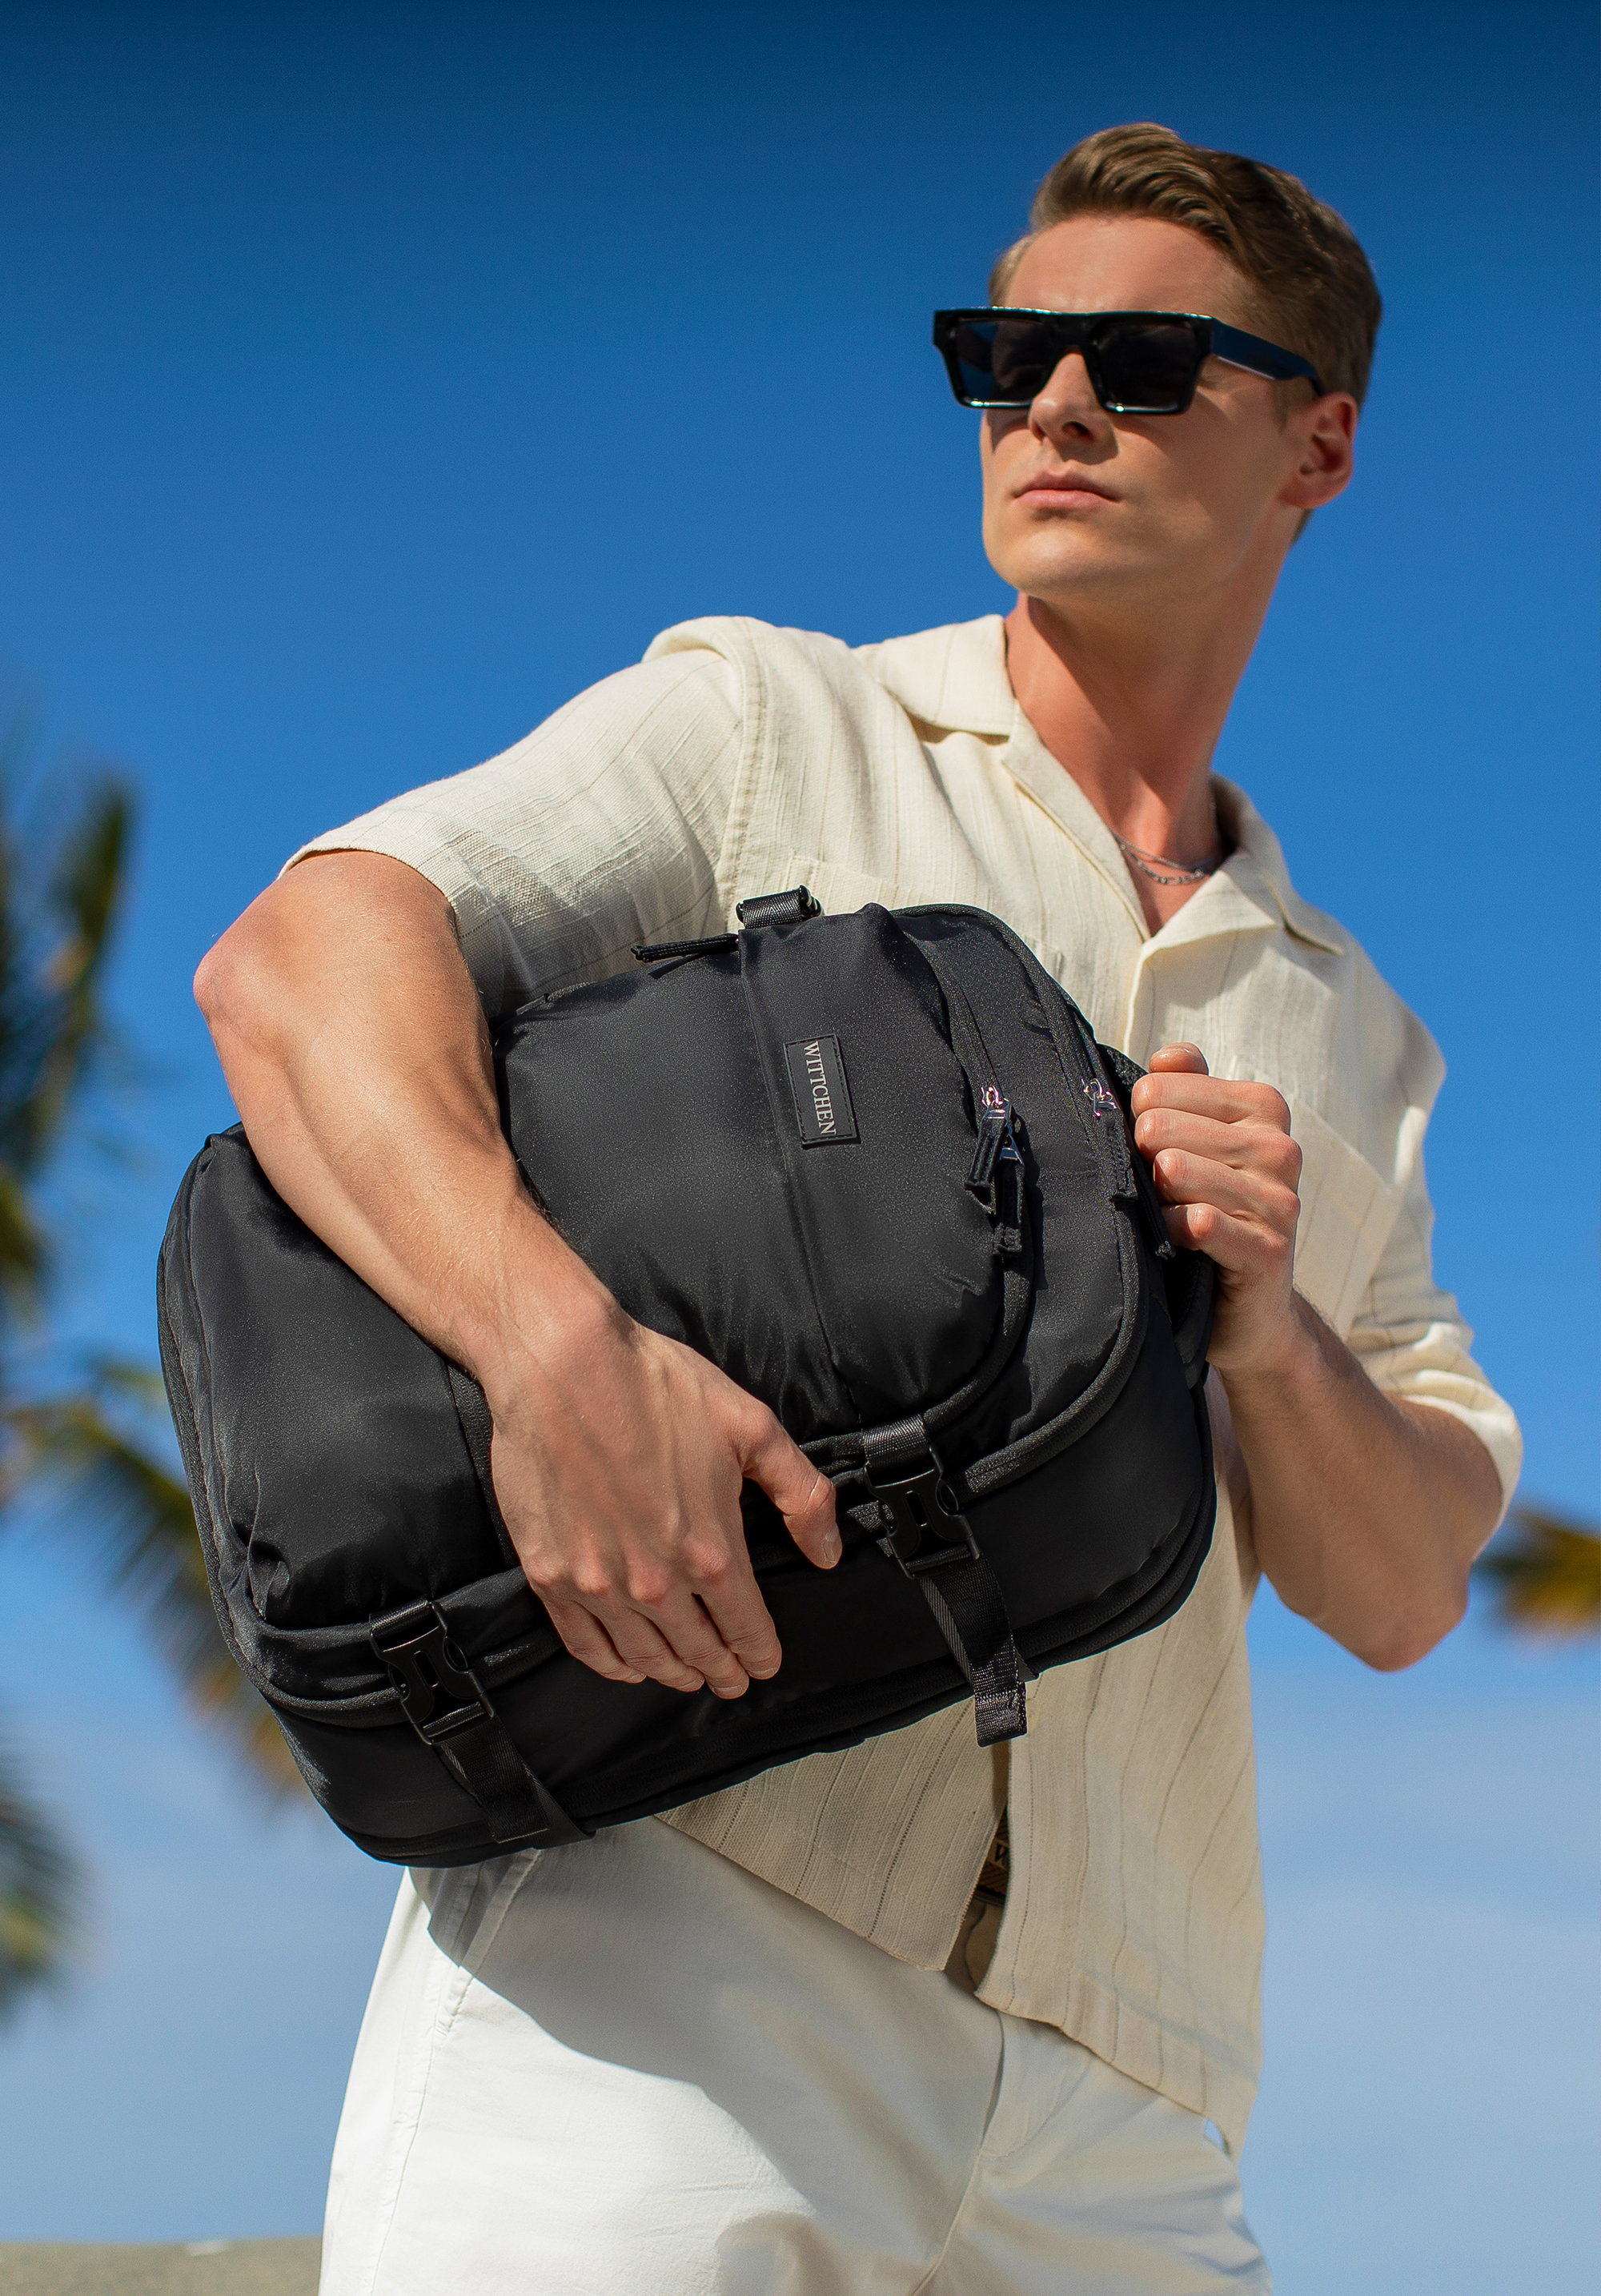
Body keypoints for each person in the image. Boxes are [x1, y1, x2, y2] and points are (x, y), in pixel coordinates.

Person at [197, 123, 1520, 2294]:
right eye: (1005, 353)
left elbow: (1401, 1585)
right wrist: (552, 1347)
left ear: (1322, 442)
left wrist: (1272, 1331)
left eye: (1144, 361)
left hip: (1130, 2081)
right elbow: (305, 954)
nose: (1053, 404)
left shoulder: (1351, 1031)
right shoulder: (772, 727)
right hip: (672, 1942)